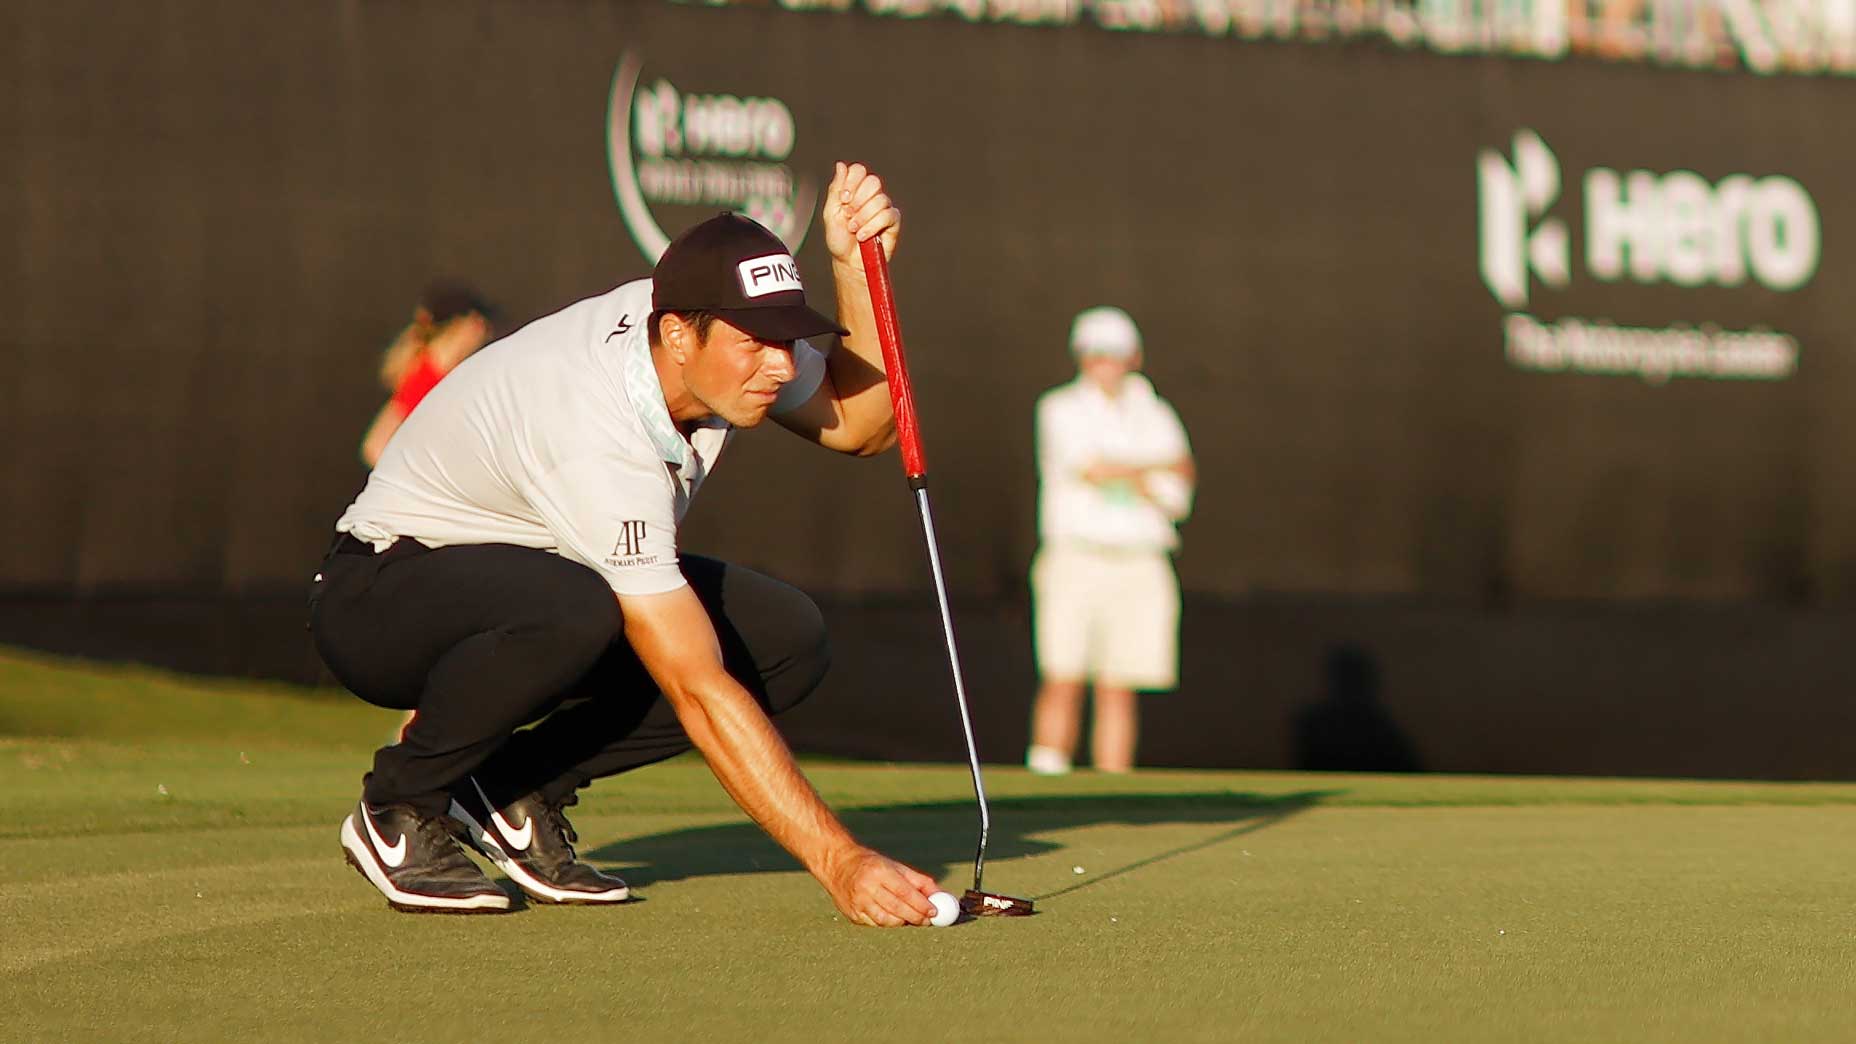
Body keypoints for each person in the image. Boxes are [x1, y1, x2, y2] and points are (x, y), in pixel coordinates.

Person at [310, 162, 943, 925]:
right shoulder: (595, 425)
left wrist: (853, 269)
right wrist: (840, 862)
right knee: (584, 610)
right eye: (757, 345)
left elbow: (862, 424)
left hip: (530, 586)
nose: (782, 367)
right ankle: (399, 807)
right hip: (378, 599)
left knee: (785, 640)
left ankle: (513, 789)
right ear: (677, 333)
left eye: (789, 341)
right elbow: (696, 689)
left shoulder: (701, 330)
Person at [1024, 306, 1195, 775]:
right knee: (1063, 676)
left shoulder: (1157, 413)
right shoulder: (1058, 407)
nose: (1105, 363)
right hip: (1076, 558)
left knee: (1120, 686)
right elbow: (1091, 467)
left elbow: (1178, 491)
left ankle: (1112, 785)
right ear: (1081, 357)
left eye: (1114, 353)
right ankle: (1046, 781)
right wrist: (1153, 466)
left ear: (1133, 357)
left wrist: (1133, 470)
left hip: (1141, 560)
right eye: (1095, 353)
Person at [359, 280, 497, 468]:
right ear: (469, 324)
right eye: (483, 326)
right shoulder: (431, 374)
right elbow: (375, 446)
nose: (486, 335)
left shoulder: (436, 371)